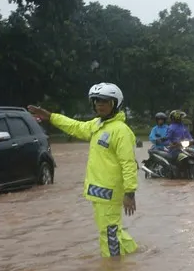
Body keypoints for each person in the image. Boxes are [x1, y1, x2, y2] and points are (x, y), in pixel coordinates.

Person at [28, 83, 138, 258]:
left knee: (108, 234)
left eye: (104, 101)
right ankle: (134, 255)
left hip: (110, 192)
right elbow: (75, 126)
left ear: (115, 104)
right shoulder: (97, 125)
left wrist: (130, 192)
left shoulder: (121, 131)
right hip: (98, 191)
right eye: (96, 102)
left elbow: (129, 164)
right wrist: (52, 117)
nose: (99, 105)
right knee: (111, 230)